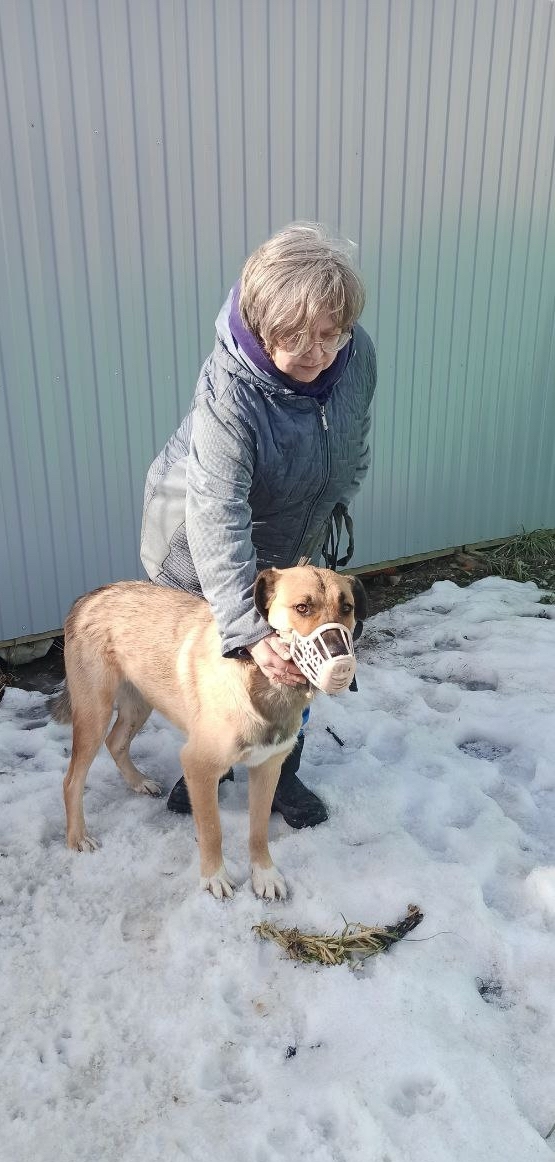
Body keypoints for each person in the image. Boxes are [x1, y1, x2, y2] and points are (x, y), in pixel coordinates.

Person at [140, 221, 376, 827]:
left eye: (330, 333)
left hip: (292, 527)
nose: (318, 352)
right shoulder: (230, 390)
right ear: (261, 323)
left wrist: (336, 496)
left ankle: (281, 770)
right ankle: (211, 760)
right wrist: (245, 628)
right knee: (229, 660)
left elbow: (352, 435)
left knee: (300, 651)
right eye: (296, 336)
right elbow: (217, 514)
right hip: (197, 538)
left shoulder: (356, 357)